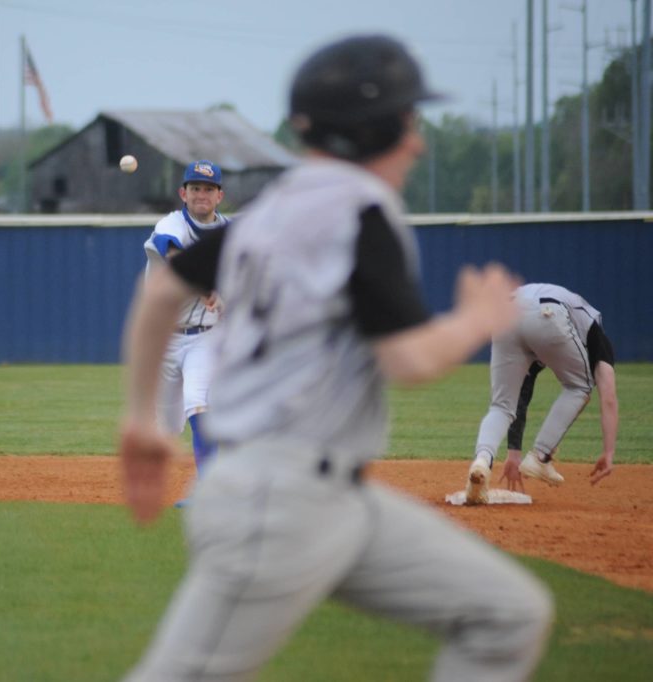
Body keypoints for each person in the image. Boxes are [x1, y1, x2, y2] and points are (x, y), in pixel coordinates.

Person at [117, 35, 552, 682]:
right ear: (371, 128)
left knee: (508, 614)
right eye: (408, 120)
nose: (417, 141)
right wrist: (475, 320)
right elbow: (408, 361)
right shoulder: (363, 215)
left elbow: (160, 295)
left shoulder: (272, 209)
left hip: (332, 498)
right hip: (276, 501)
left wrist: (139, 418)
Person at [465, 283, 618, 504]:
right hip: (548, 312)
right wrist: (609, 452)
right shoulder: (595, 334)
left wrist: (514, 453)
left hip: (504, 313)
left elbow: (522, 391)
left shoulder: (548, 341)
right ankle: (540, 457)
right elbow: (609, 398)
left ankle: (482, 460)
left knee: (500, 406)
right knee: (579, 387)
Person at [142, 160, 229, 496]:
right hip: (165, 336)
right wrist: (206, 287)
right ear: (183, 193)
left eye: (208, 189)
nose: (201, 194)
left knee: (198, 403)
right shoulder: (171, 224)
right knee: (166, 425)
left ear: (220, 195)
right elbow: (175, 256)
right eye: (195, 188)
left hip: (204, 337)